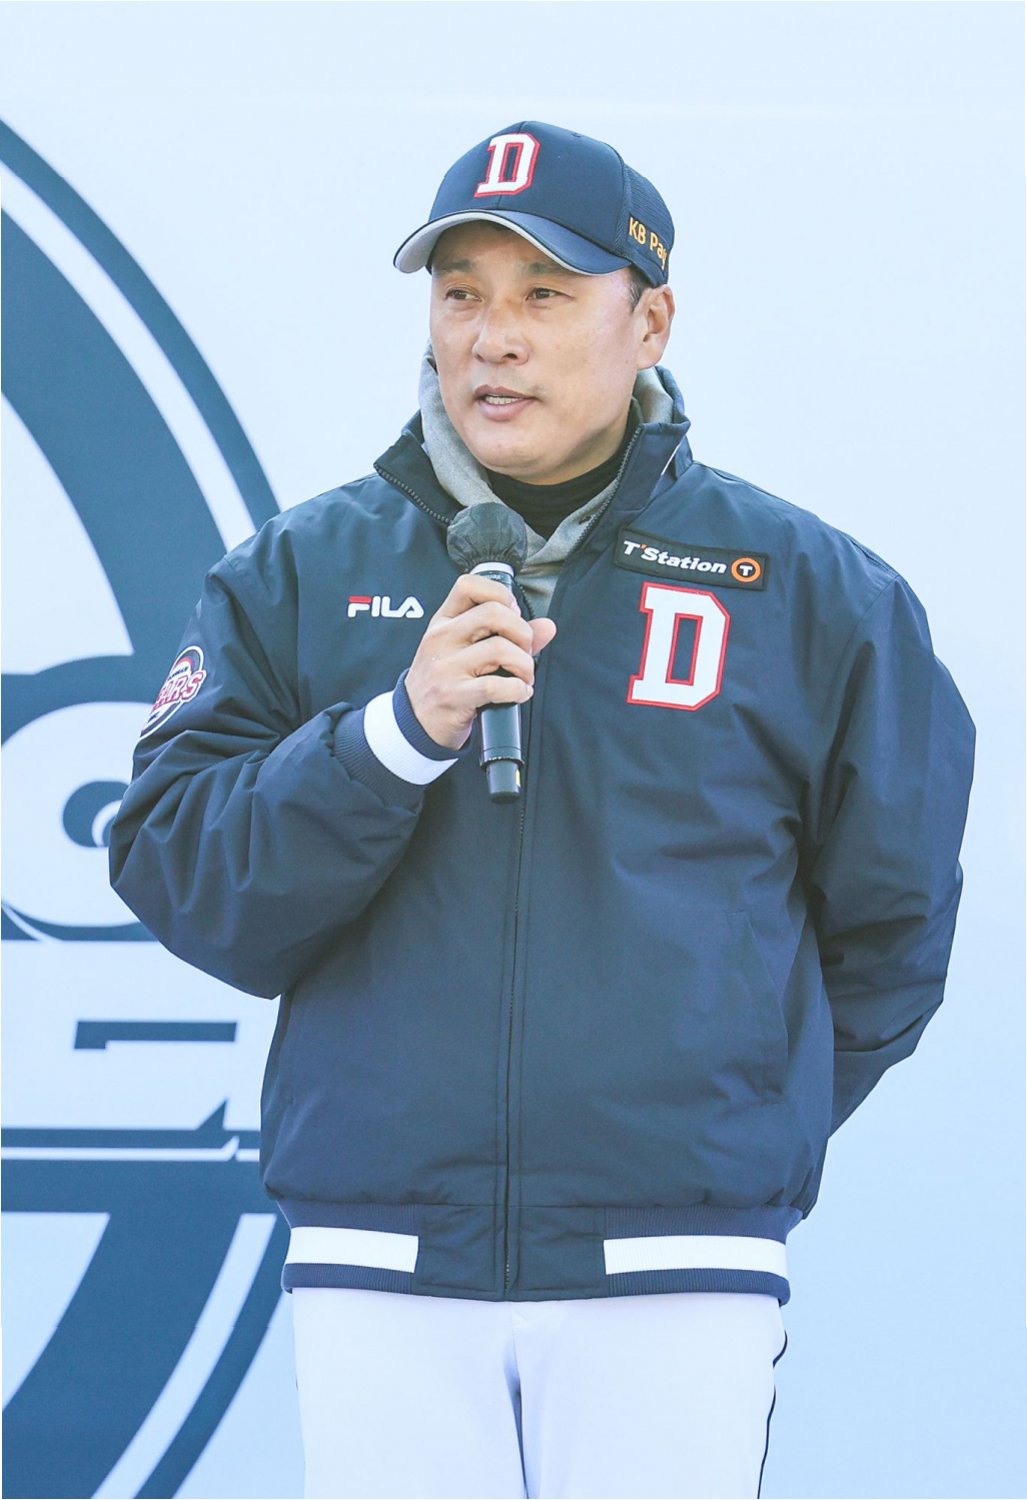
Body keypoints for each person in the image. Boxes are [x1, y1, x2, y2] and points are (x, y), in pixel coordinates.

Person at [109, 121, 975, 1500]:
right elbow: (179, 869)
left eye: (546, 294)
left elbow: (894, 928)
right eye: (460, 293)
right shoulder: (298, 573)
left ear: (651, 322)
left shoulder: (814, 594)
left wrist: (730, 1126)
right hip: (383, 1253)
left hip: (677, 1260)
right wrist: (394, 738)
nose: (492, 338)